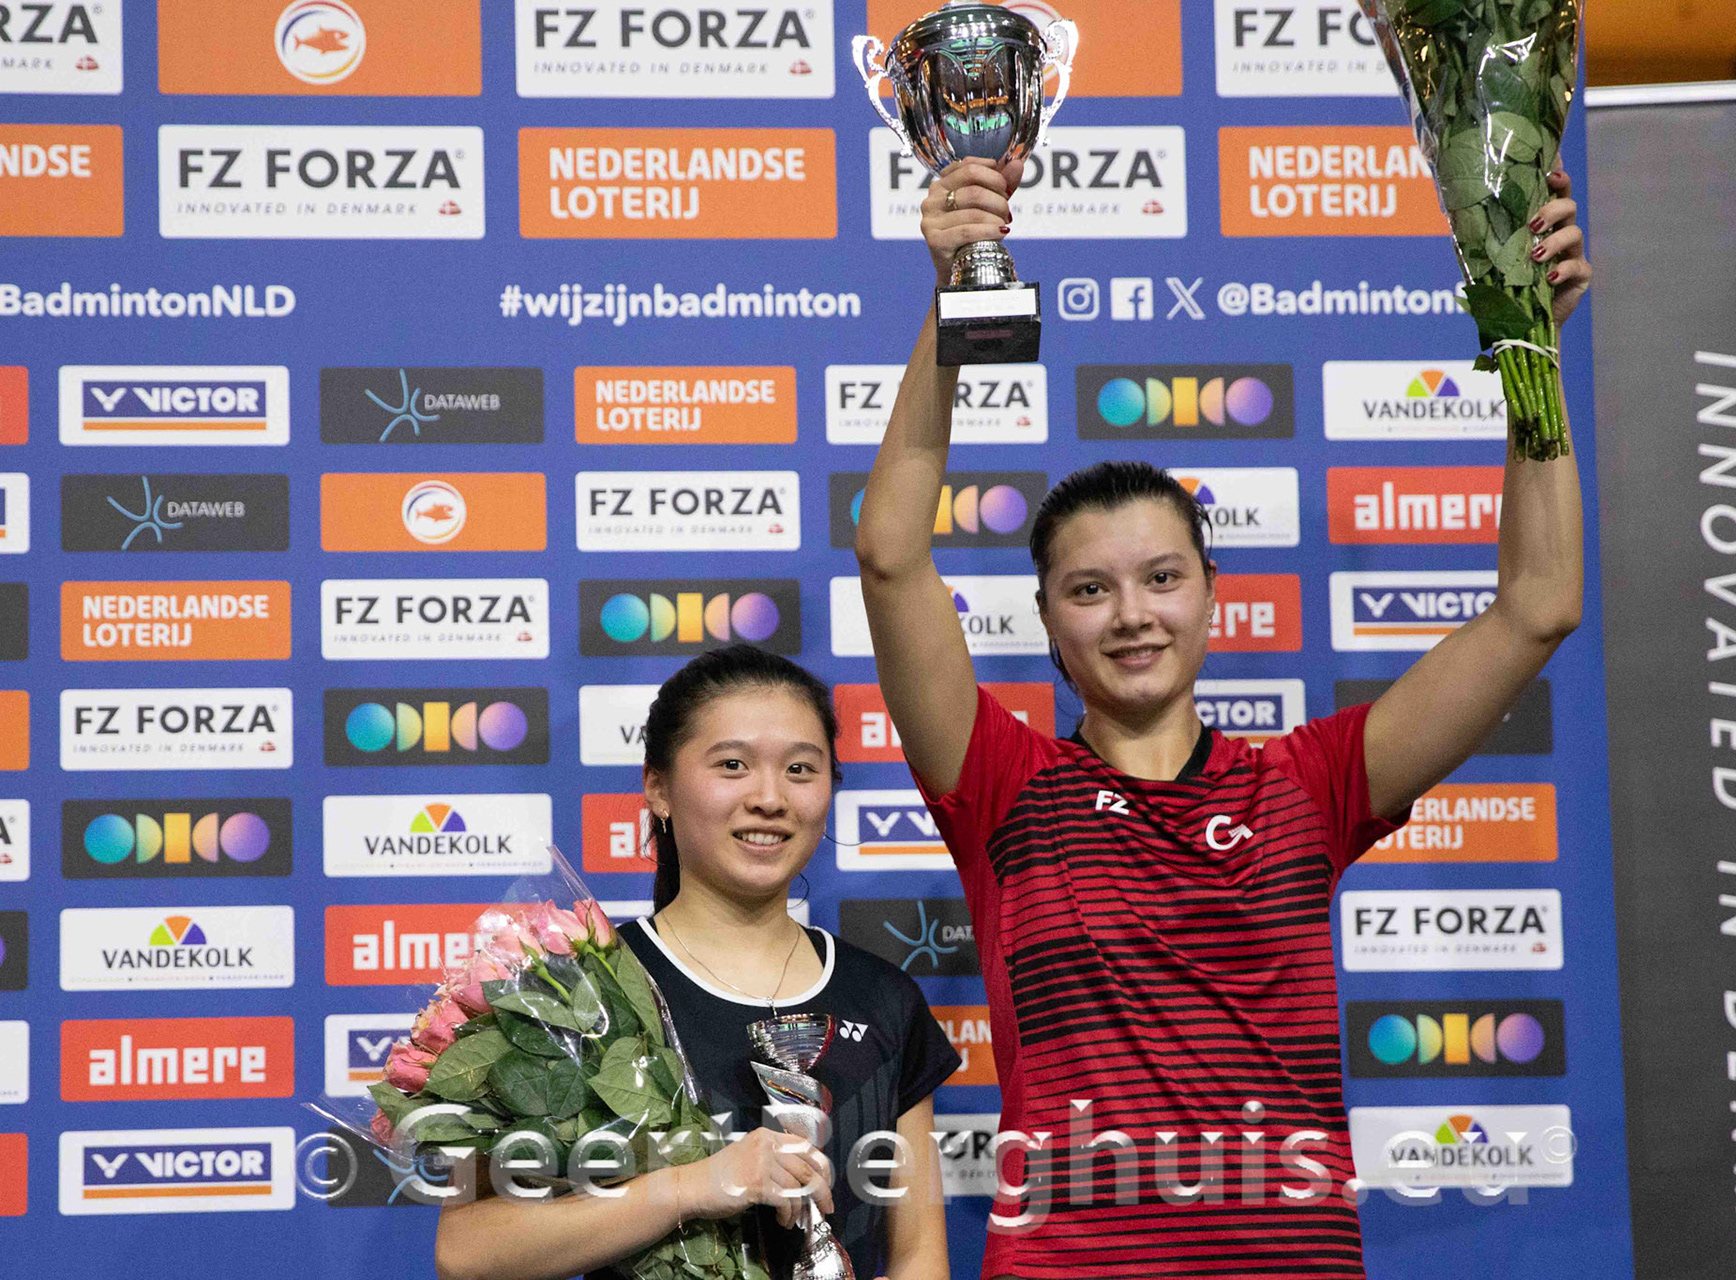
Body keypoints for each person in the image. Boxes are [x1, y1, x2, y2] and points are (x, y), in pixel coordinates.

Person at [852, 158, 1593, 1278]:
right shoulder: (1003, 787)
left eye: (1162, 578)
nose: (1131, 615)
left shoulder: (1311, 782)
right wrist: (956, 292)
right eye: (1089, 589)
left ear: (1212, 595)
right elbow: (890, 554)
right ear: (1047, 621)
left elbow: (1540, 604)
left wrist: (1532, 350)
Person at [435, 644, 960, 1280]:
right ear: (658, 788)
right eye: (733, 765)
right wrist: (695, 1186)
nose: (770, 798)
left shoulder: (884, 998)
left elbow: (918, 1256)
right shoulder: (581, 991)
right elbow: (467, 1250)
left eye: (800, 769)